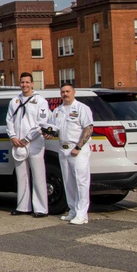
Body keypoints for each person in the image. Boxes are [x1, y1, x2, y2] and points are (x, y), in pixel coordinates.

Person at [6, 72, 50, 217]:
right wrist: (12, 136)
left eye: (27, 82)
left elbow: (41, 123)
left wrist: (28, 138)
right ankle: (23, 206)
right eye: (22, 82)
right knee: (22, 176)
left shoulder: (40, 101)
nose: (24, 85)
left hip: (34, 143)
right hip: (18, 144)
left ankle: (41, 208)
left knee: (38, 175)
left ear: (32, 84)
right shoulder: (14, 101)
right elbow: (9, 120)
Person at [48, 84, 94, 225]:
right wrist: (48, 134)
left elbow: (89, 128)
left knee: (81, 182)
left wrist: (78, 147)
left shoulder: (81, 108)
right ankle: (73, 210)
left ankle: (82, 214)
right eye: (63, 92)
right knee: (68, 182)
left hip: (78, 149)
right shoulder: (57, 111)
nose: (65, 94)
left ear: (74, 92)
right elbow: (53, 129)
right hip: (63, 149)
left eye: (68, 91)